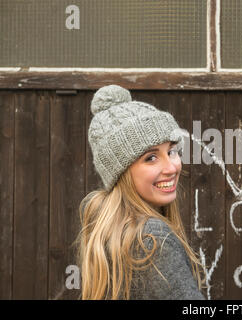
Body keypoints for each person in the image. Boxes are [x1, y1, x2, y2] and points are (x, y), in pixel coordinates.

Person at [77, 85, 205, 300]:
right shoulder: (152, 238)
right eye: (151, 158)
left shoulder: (112, 232)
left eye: (171, 151)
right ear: (121, 172)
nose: (172, 167)